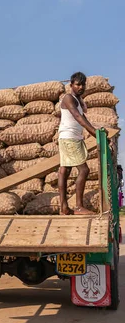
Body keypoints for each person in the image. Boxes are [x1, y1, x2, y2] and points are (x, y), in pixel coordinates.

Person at [58, 72, 97, 215]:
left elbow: (84, 117)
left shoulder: (78, 100)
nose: (81, 87)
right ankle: (79, 206)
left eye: (83, 84)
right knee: (84, 170)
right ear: (71, 85)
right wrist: (95, 134)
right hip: (69, 138)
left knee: (65, 171)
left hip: (73, 137)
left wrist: (96, 130)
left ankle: (64, 208)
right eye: (77, 84)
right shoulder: (68, 98)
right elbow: (77, 117)